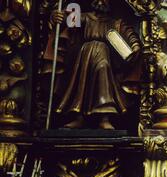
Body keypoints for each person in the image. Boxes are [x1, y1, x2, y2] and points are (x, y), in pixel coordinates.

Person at [45, 0, 142, 129]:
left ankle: (104, 117)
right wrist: (56, 17)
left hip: (104, 53)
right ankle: (78, 116)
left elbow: (129, 34)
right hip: (85, 53)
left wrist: (135, 45)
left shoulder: (115, 23)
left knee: (103, 73)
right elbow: (67, 22)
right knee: (82, 83)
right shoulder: (84, 17)